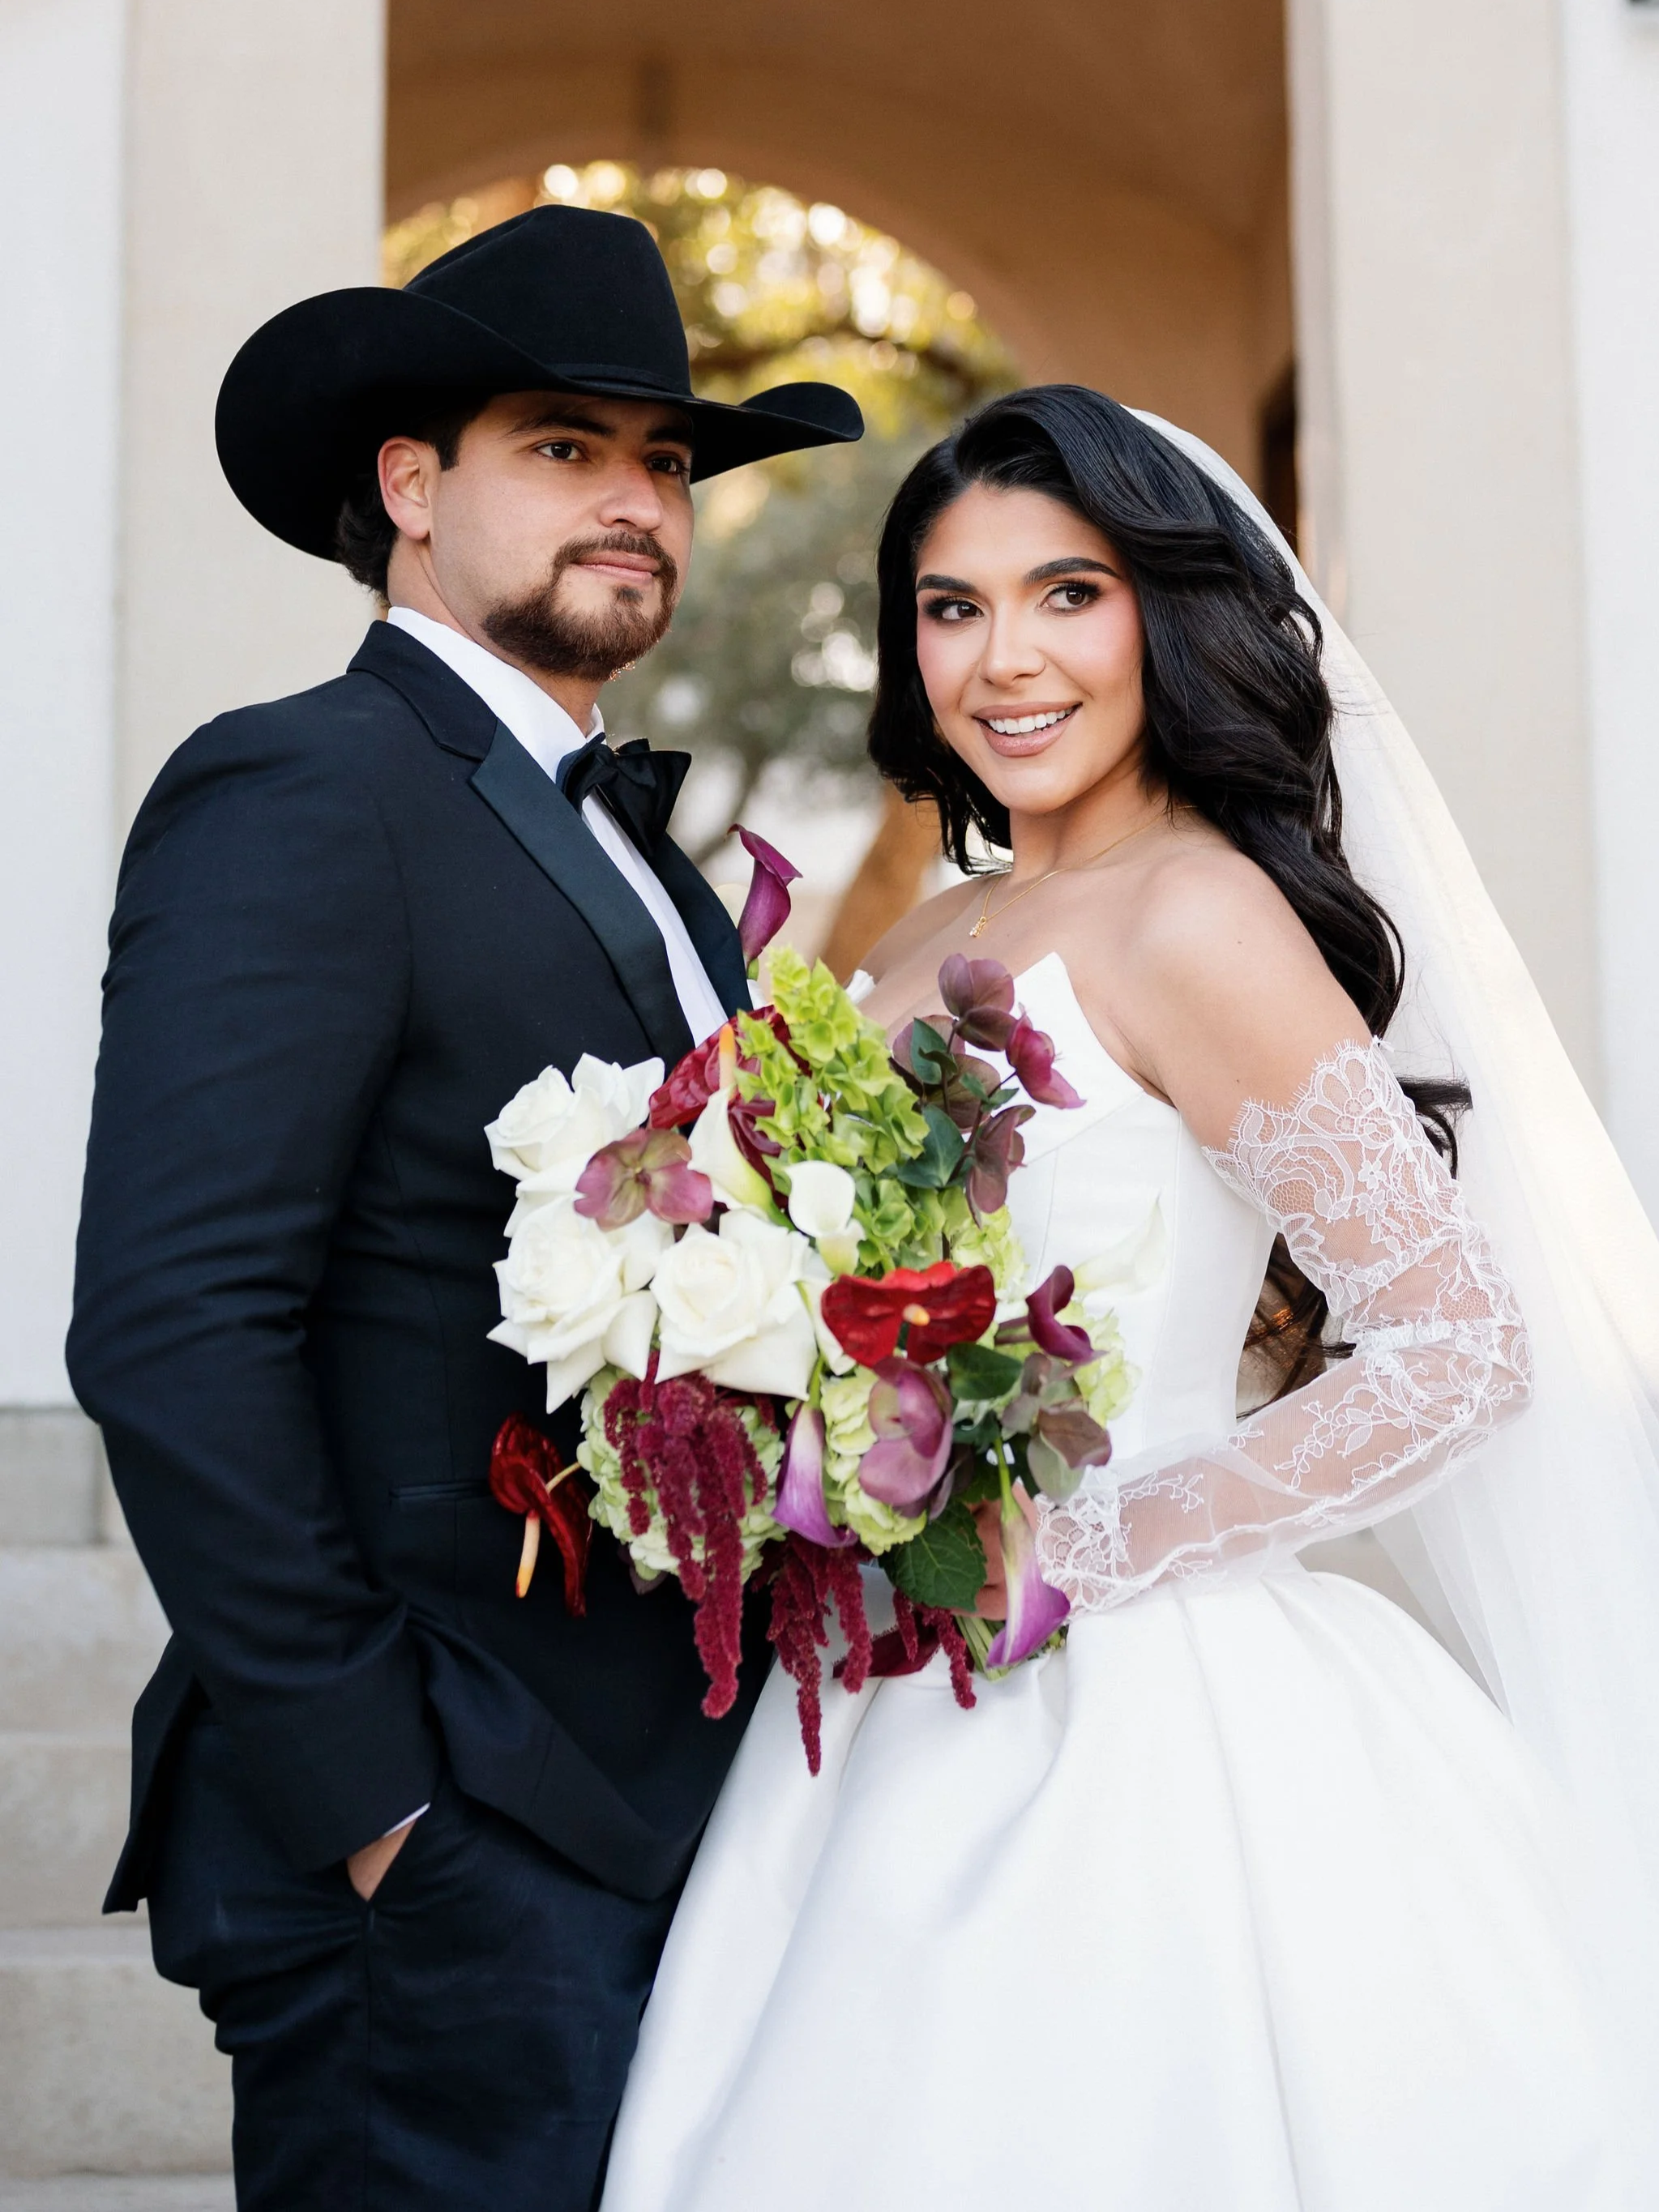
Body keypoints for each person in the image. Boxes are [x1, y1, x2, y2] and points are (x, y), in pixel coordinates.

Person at [601, 386, 1659, 2209]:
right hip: (879, 1679)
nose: (1004, 661)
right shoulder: (932, 932)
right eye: (951, 607)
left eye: (1065, 595)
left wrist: (1076, 1553)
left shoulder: (1199, 917)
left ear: (1167, 612)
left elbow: (1461, 1345)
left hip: (1146, 1708)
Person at [66, 204, 860, 2212]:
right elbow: (172, 1326)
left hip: (662, 1806)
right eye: (565, 447)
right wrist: (382, 1806)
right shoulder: (306, 790)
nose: (639, 503)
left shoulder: (662, 872)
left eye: (666, 463)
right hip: (448, 1832)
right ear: (412, 487)